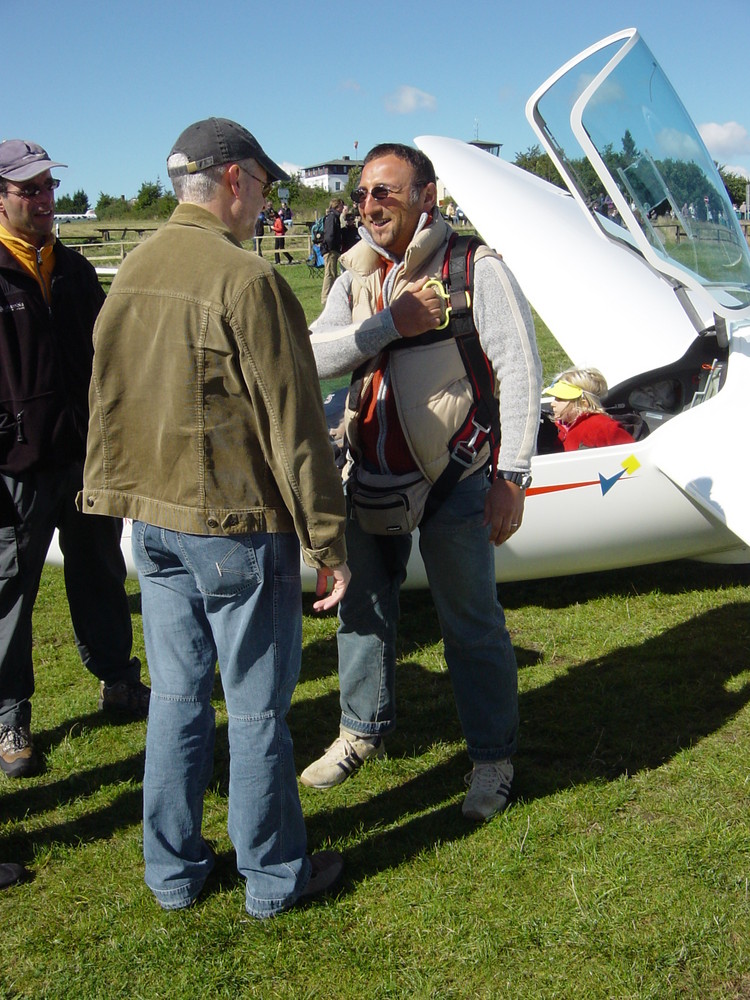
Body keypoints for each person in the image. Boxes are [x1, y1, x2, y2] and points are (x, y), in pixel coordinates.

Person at [80, 117, 350, 917]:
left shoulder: (131, 272)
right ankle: (273, 877)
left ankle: (172, 873)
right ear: (233, 180)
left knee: (175, 698)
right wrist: (329, 542)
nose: (266, 203)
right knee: (259, 707)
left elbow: (106, 398)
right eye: (264, 187)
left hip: (153, 526)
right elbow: (296, 424)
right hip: (233, 526)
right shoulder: (247, 281)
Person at [305, 143, 542, 821]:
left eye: (386, 192)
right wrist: (385, 326)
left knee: (470, 624)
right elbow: (312, 354)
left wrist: (513, 477)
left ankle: (493, 758)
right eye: (362, 195)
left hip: (457, 476)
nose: (370, 205)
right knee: (363, 613)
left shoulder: (474, 268)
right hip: (366, 471)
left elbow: (520, 371)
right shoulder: (354, 274)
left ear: (426, 196)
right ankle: (361, 732)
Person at [0, 140, 148, 780]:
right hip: (16, 468)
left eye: (48, 189)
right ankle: (10, 718)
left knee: (99, 572)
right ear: (1, 197)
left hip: (87, 458)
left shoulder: (77, 271)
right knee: (10, 594)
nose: (43, 201)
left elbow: (109, 362)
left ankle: (118, 680)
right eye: (28, 190)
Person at [543, 367, 635, 451]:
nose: (552, 404)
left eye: (560, 399)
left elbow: (634, 458)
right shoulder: (565, 427)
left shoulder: (604, 428)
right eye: (555, 398)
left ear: (584, 403)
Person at [320, 198, 345, 305]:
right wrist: (331, 248)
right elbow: (329, 235)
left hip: (333, 249)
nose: (343, 208)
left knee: (333, 273)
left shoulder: (335, 217)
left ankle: (332, 296)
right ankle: (325, 298)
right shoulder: (331, 217)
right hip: (330, 250)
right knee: (329, 274)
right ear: (337, 206)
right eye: (341, 206)